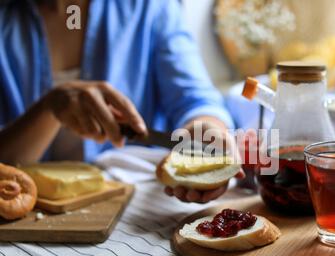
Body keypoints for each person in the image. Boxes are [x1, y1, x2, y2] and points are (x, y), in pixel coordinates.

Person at [0, 0, 242, 203]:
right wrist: (49, 108)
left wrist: (208, 127)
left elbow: (195, 99)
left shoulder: (151, 6)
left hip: (134, 203)